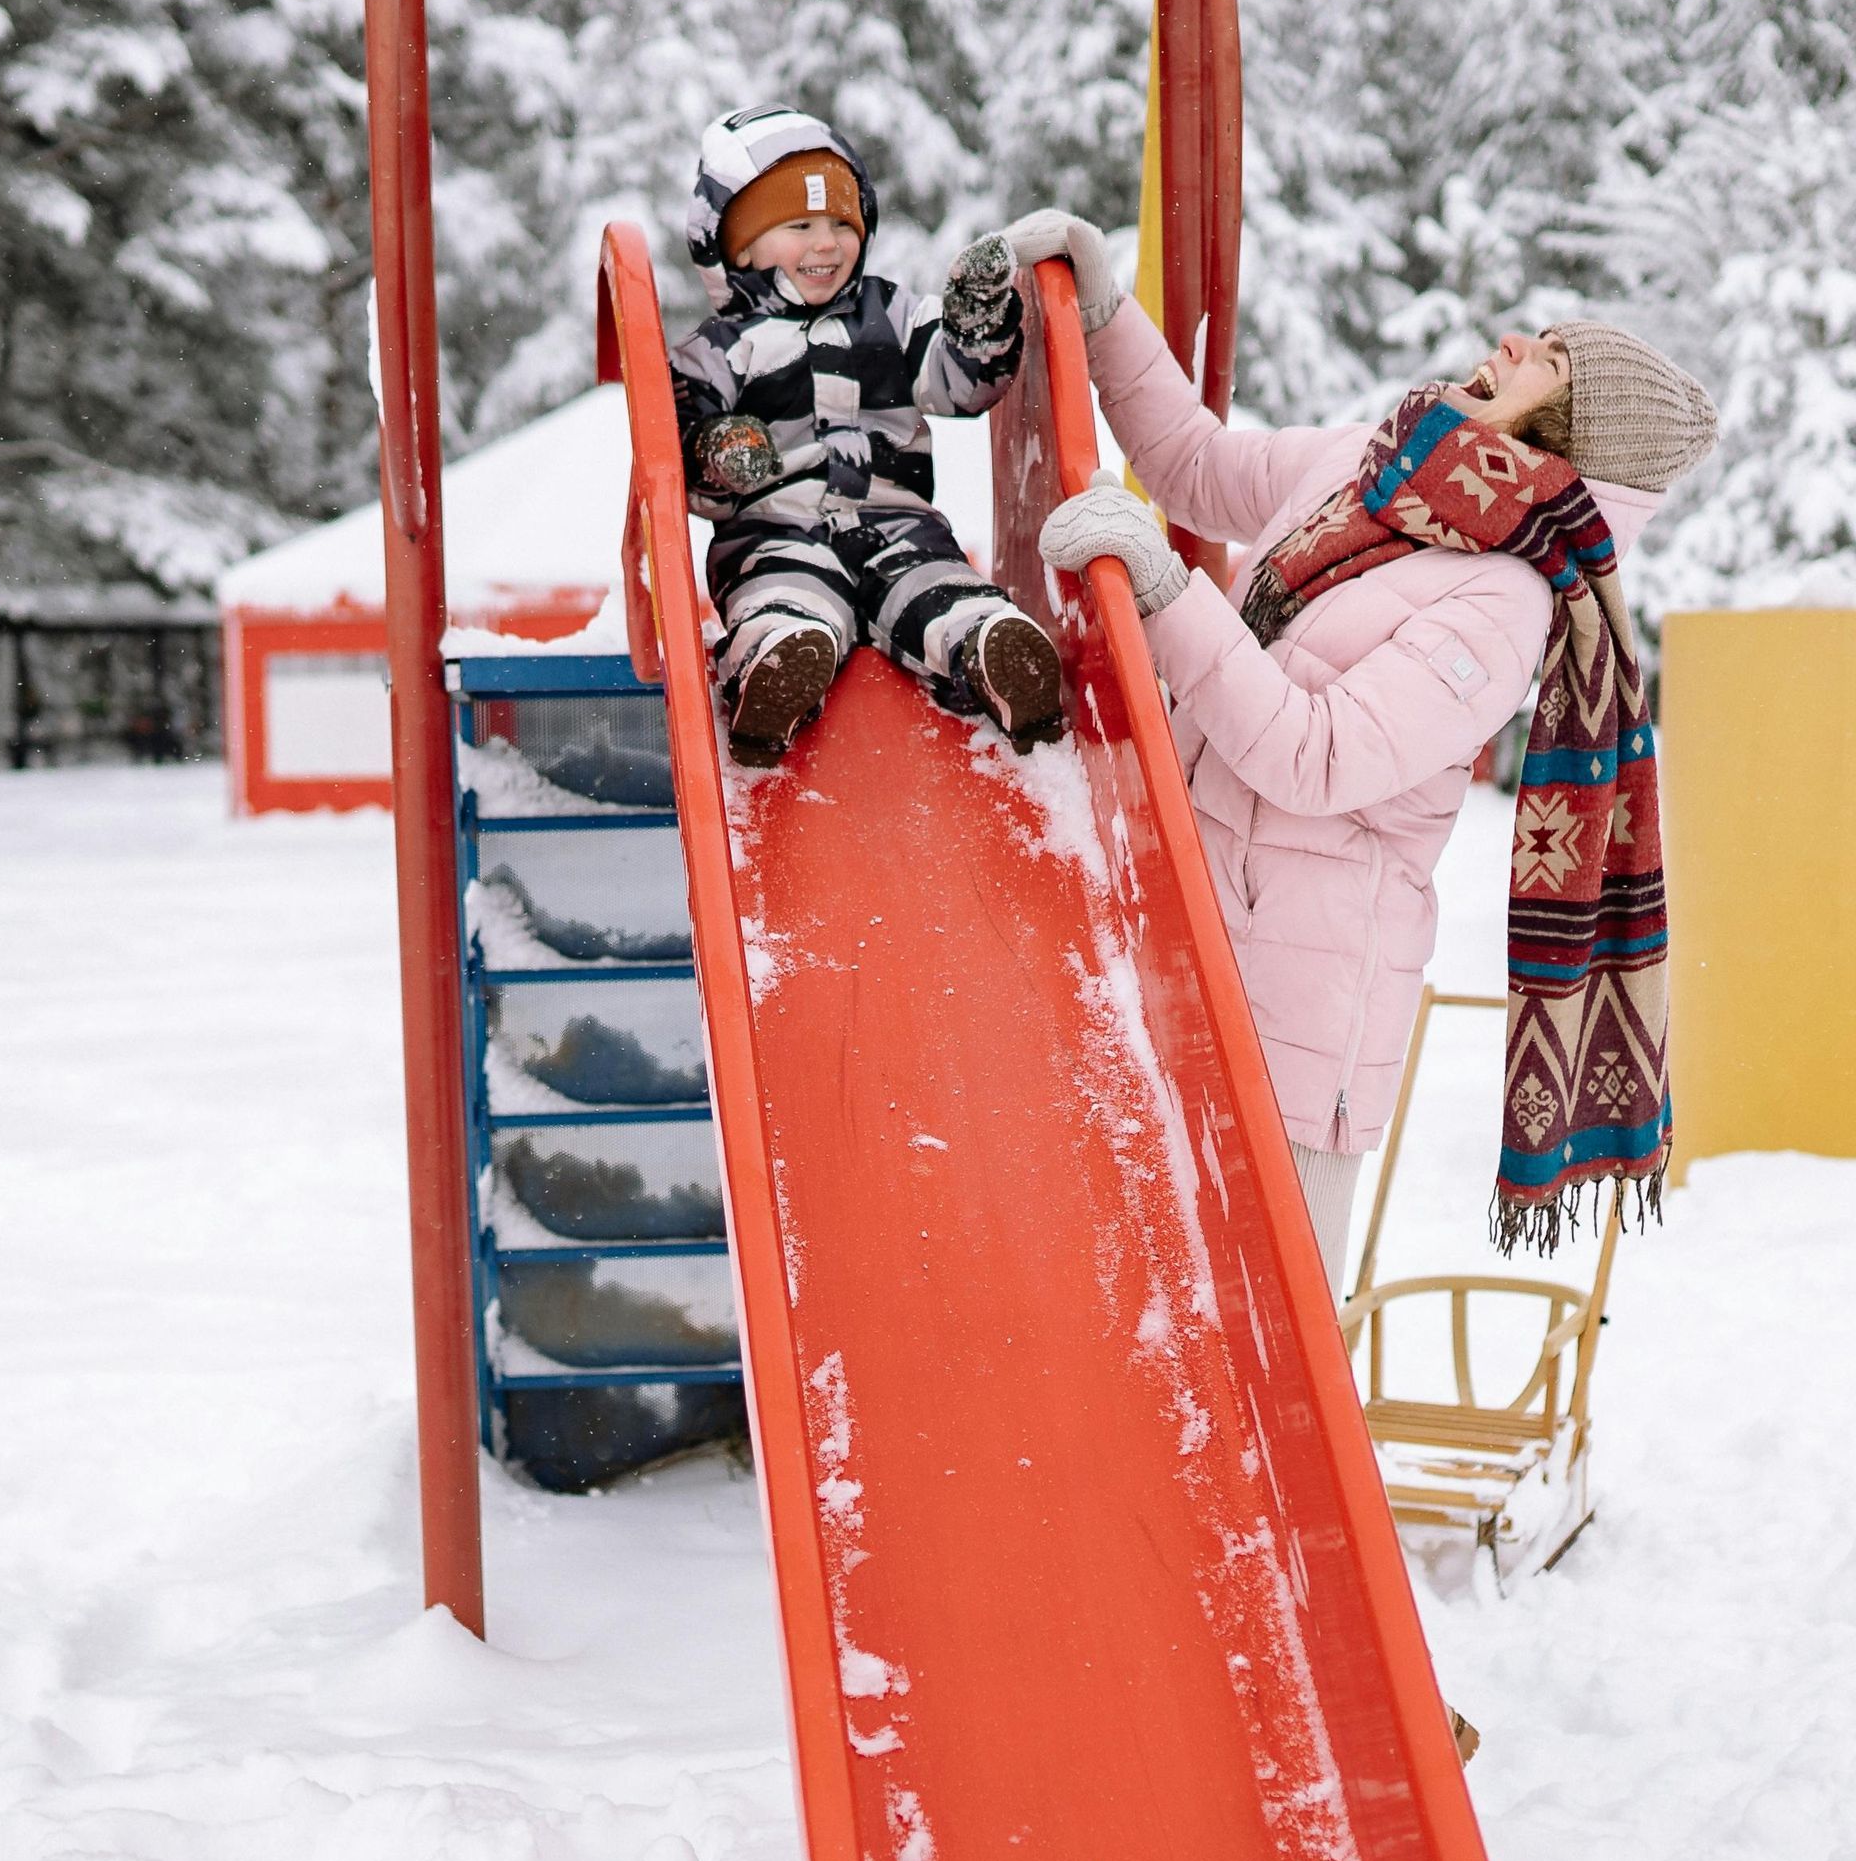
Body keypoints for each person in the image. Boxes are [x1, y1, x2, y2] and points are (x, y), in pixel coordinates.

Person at [1018, 209, 1718, 1294]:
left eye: (1557, 357)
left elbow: (1316, 756)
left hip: (1298, 1028)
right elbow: (1197, 464)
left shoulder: (1502, 602)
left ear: (1574, 431)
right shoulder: (1380, 464)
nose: (1520, 342)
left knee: (1259, 1356)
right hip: (1188, 933)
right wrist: (1105, 313)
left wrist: (1162, 587)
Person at [672, 107, 1064, 767]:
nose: (826, 244)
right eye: (798, 227)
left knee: (938, 590)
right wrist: (721, 451)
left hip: (899, 527)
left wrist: (974, 327)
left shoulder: (892, 314)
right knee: (786, 598)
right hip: (777, 535)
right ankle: (775, 668)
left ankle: (996, 653)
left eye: (840, 225)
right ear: (736, 246)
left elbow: (961, 384)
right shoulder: (718, 351)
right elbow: (682, 452)